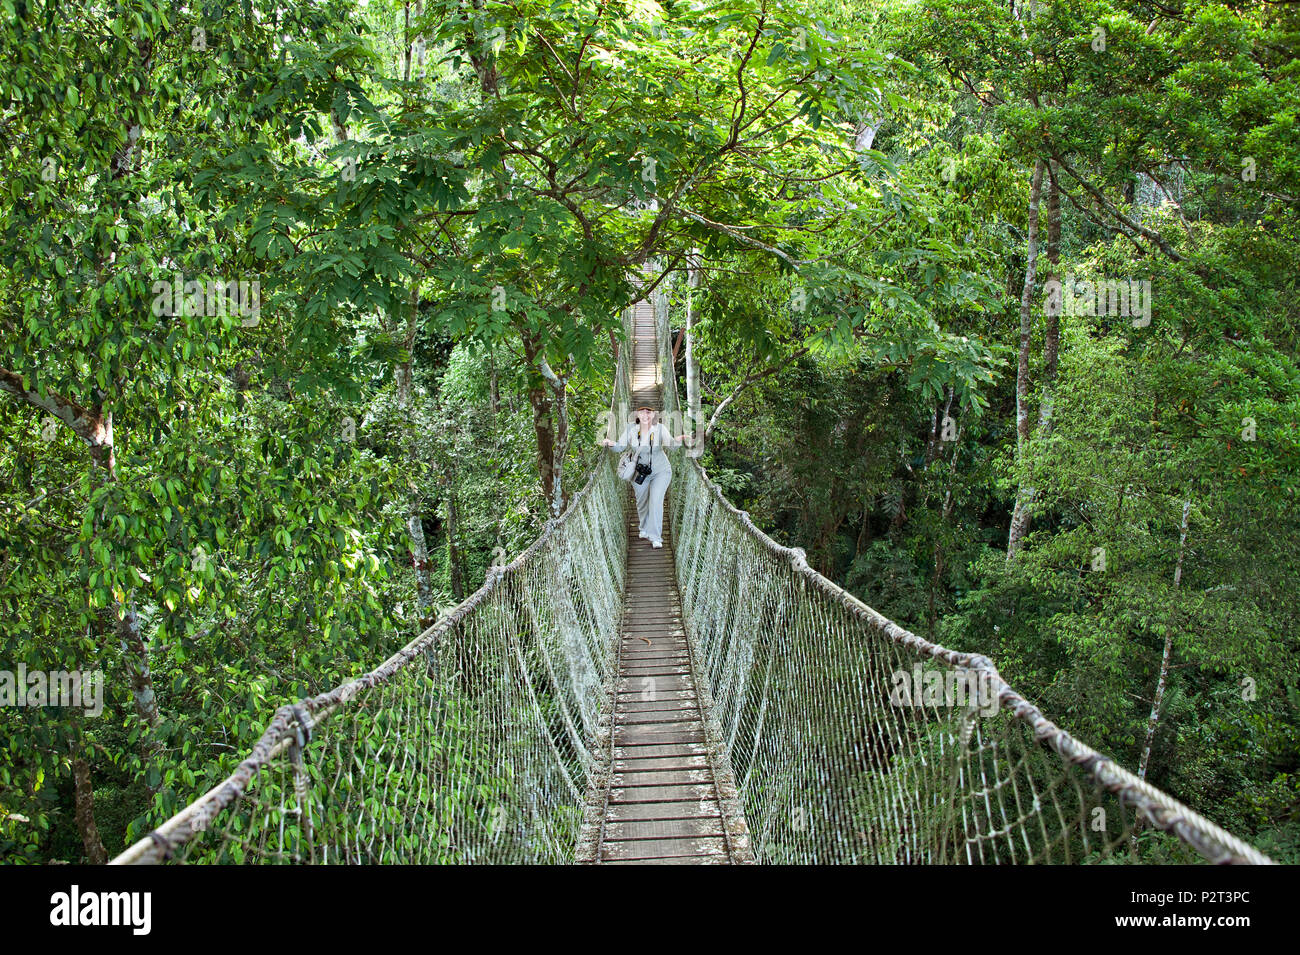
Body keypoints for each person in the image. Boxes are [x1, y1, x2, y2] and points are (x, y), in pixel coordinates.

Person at [602, 406, 687, 548]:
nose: (645, 415)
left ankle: (656, 537)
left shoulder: (660, 428)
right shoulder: (631, 428)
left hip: (661, 471)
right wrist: (610, 444)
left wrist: (678, 440)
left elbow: (671, 446)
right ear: (637, 413)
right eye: (642, 412)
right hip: (639, 472)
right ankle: (644, 528)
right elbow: (620, 447)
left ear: (654, 414)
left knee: (655, 501)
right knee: (641, 502)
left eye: (649, 412)